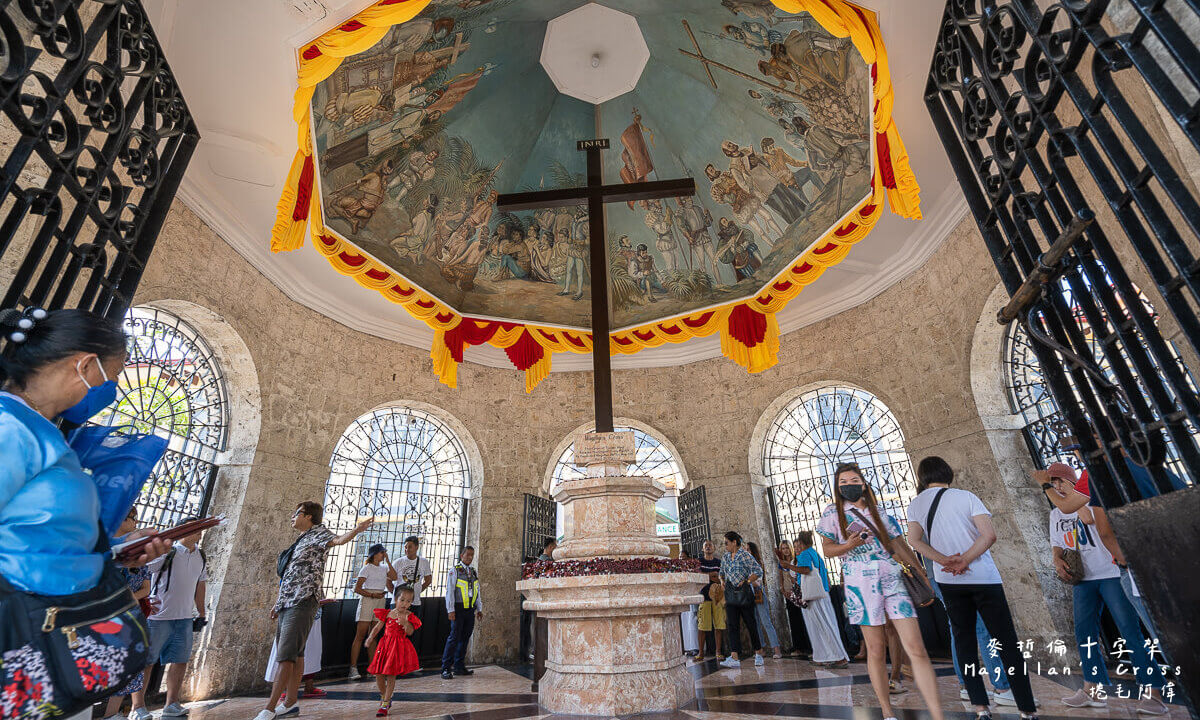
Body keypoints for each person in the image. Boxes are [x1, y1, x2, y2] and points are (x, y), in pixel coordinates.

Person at [0, 308, 172, 720]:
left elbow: (35, 533)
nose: (110, 387)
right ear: (84, 364)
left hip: (51, 628)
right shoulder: (10, 429)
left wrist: (115, 550)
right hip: (20, 631)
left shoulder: (43, 431)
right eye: (111, 376)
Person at [906, 457, 1038, 719]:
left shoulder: (916, 504)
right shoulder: (966, 496)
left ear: (922, 478)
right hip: (983, 577)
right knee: (1006, 642)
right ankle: (1026, 708)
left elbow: (913, 540)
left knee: (964, 641)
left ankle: (980, 707)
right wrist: (965, 560)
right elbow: (989, 535)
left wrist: (945, 561)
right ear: (948, 472)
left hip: (949, 580)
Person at [817, 463, 944, 720]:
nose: (848, 485)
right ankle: (887, 712)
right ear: (837, 487)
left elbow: (900, 547)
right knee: (875, 649)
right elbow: (828, 549)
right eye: (842, 482)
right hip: (860, 583)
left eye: (853, 480)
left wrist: (922, 574)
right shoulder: (833, 513)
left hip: (891, 578)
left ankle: (937, 713)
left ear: (863, 483)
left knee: (916, 647)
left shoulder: (882, 513)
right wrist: (848, 545)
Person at [1041, 463, 1168, 714]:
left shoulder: (1085, 499)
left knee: (1130, 633)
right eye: (1052, 482)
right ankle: (1092, 690)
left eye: (1060, 481)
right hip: (1083, 579)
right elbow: (1057, 543)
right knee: (1084, 634)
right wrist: (1056, 560)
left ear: (1072, 480)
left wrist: (1070, 498)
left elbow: (1088, 518)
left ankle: (1154, 693)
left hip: (1110, 573)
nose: (1057, 486)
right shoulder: (1056, 514)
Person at [255, 503, 373, 720]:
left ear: (308, 516)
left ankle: (269, 708)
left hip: (303, 600)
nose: (292, 516)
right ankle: (290, 703)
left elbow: (337, 540)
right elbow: (291, 573)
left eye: (296, 513)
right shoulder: (301, 538)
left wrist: (356, 530)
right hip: (288, 601)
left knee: (286, 656)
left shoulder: (319, 533)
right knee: (296, 654)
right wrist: (278, 602)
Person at [129, 517, 209, 719]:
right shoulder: (168, 553)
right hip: (158, 618)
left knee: (180, 660)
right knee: (146, 661)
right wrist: (146, 600)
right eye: (195, 529)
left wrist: (201, 612)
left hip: (183, 618)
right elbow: (144, 573)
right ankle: (136, 707)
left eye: (200, 529)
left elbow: (200, 586)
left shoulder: (201, 556)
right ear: (182, 531)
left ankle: (172, 704)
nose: (199, 533)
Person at [100, 508, 155, 720]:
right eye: (132, 518)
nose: (136, 522)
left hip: (127, 616)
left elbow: (146, 587)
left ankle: (111, 714)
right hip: (101, 616)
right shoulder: (102, 546)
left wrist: (130, 597)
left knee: (125, 666)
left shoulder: (137, 553)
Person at [784, 532, 848, 667]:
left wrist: (788, 566)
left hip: (814, 596)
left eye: (799, 544)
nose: (797, 548)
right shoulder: (813, 552)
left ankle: (838, 657)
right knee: (821, 626)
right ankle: (824, 656)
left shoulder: (806, 554)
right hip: (819, 593)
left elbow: (806, 570)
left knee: (823, 626)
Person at [366, 586, 421, 717]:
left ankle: (385, 703)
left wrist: (405, 624)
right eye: (402, 600)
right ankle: (385, 696)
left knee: (391, 675)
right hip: (384, 646)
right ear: (396, 599)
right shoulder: (388, 613)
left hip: (396, 648)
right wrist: (370, 638)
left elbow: (410, 632)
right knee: (378, 673)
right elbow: (377, 627)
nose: (405, 603)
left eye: (408, 601)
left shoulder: (409, 616)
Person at [718, 531, 765, 668]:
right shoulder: (726, 557)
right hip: (730, 594)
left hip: (744, 594)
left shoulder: (745, 555)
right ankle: (734, 657)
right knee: (732, 625)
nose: (725, 545)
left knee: (751, 623)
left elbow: (758, 570)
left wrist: (748, 581)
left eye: (727, 542)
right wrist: (722, 581)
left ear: (734, 542)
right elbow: (721, 573)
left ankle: (758, 653)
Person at [349, 544, 395, 679]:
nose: (383, 554)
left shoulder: (384, 568)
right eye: (382, 553)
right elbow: (357, 588)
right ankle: (353, 668)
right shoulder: (366, 568)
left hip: (380, 599)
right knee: (360, 634)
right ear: (375, 554)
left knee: (373, 635)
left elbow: (394, 576)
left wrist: (388, 561)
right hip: (368, 599)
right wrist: (372, 595)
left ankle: (372, 667)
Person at [442, 545, 483, 679]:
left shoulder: (473, 571)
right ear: (462, 556)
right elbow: (450, 592)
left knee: (465, 638)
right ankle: (446, 668)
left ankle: (459, 666)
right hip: (458, 610)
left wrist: (479, 609)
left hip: (469, 610)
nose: (470, 557)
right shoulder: (455, 570)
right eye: (468, 554)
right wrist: (451, 610)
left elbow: (477, 591)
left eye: (472, 555)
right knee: (454, 638)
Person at [746, 541, 782, 659]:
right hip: (749, 596)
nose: (747, 552)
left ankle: (776, 649)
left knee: (766, 621)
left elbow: (757, 582)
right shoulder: (746, 565)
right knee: (755, 623)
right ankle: (760, 649)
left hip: (758, 594)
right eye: (745, 550)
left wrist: (747, 580)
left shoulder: (757, 564)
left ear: (753, 551)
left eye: (748, 550)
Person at [695, 539, 726, 662]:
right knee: (702, 626)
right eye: (705, 546)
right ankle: (701, 652)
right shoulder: (699, 562)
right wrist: (711, 574)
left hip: (717, 597)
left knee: (719, 625)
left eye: (710, 545)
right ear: (703, 549)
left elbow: (721, 578)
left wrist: (710, 576)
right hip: (704, 597)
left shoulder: (719, 562)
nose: (708, 547)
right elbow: (698, 576)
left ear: (714, 548)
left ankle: (718, 651)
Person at [392, 535, 433, 611]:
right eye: (405, 547)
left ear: (417, 547)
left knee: (412, 622)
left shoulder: (424, 562)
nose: (407, 549)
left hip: (415, 602)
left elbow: (428, 580)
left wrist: (417, 591)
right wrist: (396, 593)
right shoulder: (398, 562)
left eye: (410, 547)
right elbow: (388, 579)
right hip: (398, 602)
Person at [679, 549, 701, 656]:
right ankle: (687, 647)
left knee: (693, 622)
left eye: (684, 558)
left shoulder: (693, 569)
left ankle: (696, 647)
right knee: (685, 623)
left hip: (692, 599)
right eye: (680, 558)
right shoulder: (678, 570)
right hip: (683, 599)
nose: (682, 560)